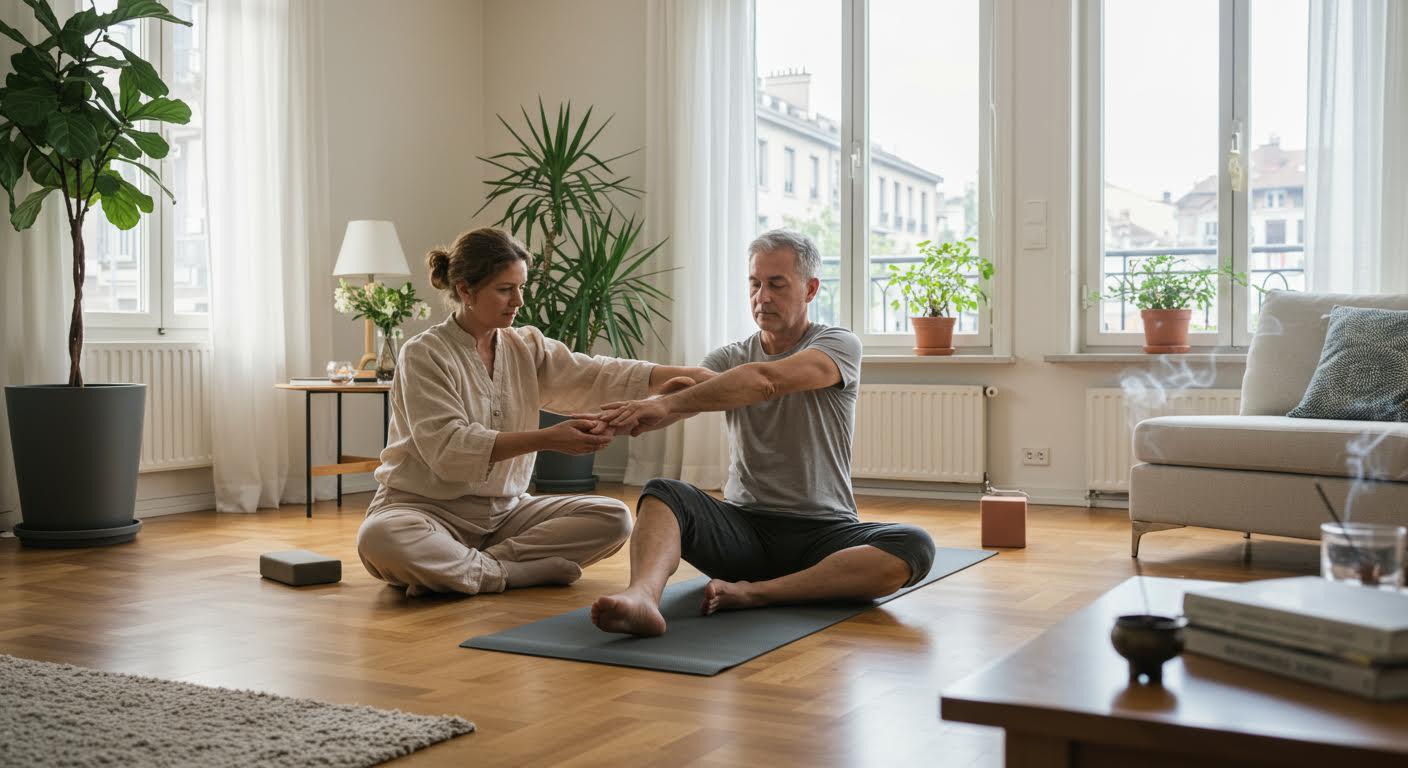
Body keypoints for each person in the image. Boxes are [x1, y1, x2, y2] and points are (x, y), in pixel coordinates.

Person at [588, 229, 936, 636]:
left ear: (810, 289)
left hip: (824, 534)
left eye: (776, 284)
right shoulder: (728, 358)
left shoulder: (837, 344)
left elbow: (765, 380)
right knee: (663, 492)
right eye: (755, 284)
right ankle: (642, 598)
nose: (762, 297)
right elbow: (682, 400)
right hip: (743, 531)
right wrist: (626, 417)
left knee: (914, 545)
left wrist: (667, 403)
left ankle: (759, 593)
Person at [356, 227, 713, 596]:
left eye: (522, 287)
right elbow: (449, 448)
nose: (519, 301)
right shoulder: (423, 354)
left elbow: (593, 374)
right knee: (381, 538)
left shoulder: (526, 344)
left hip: (506, 514)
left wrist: (684, 376)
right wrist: (548, 440)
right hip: (423, 512)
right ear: (465, 289)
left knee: (613, 518)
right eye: (505, 289)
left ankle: (468, 569)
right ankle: (509, 572)